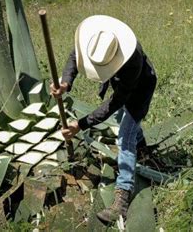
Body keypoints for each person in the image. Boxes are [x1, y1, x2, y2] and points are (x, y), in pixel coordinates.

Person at [49, 15, 157, 222]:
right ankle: (142, 147)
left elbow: (115, 102)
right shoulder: (96, 39)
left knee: (125, 137)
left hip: (141, 88)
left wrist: (80, 125)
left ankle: (122, 199)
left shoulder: (132, 60)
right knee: (126, 120)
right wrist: (65, 83)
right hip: (123, 86)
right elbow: (75, 56)